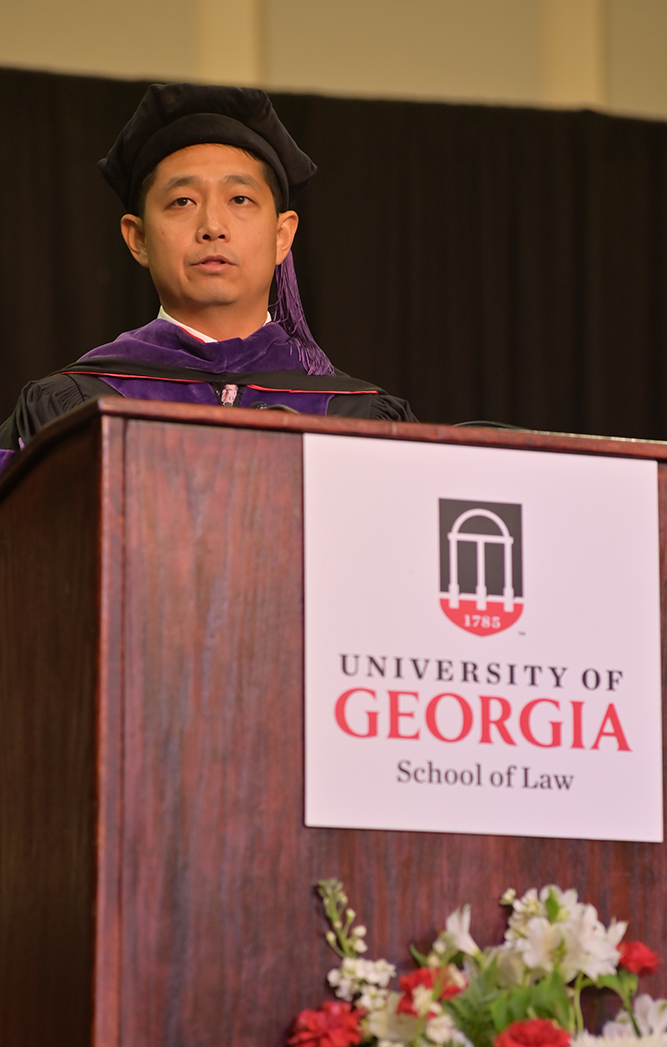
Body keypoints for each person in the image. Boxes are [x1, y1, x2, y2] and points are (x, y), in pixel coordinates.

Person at [0, 83, 416, 468]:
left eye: (240, 198)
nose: (212, 225)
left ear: (281, 235)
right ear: (139, 238)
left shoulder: (359, 417)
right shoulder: (71, 408)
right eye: (182, 200)